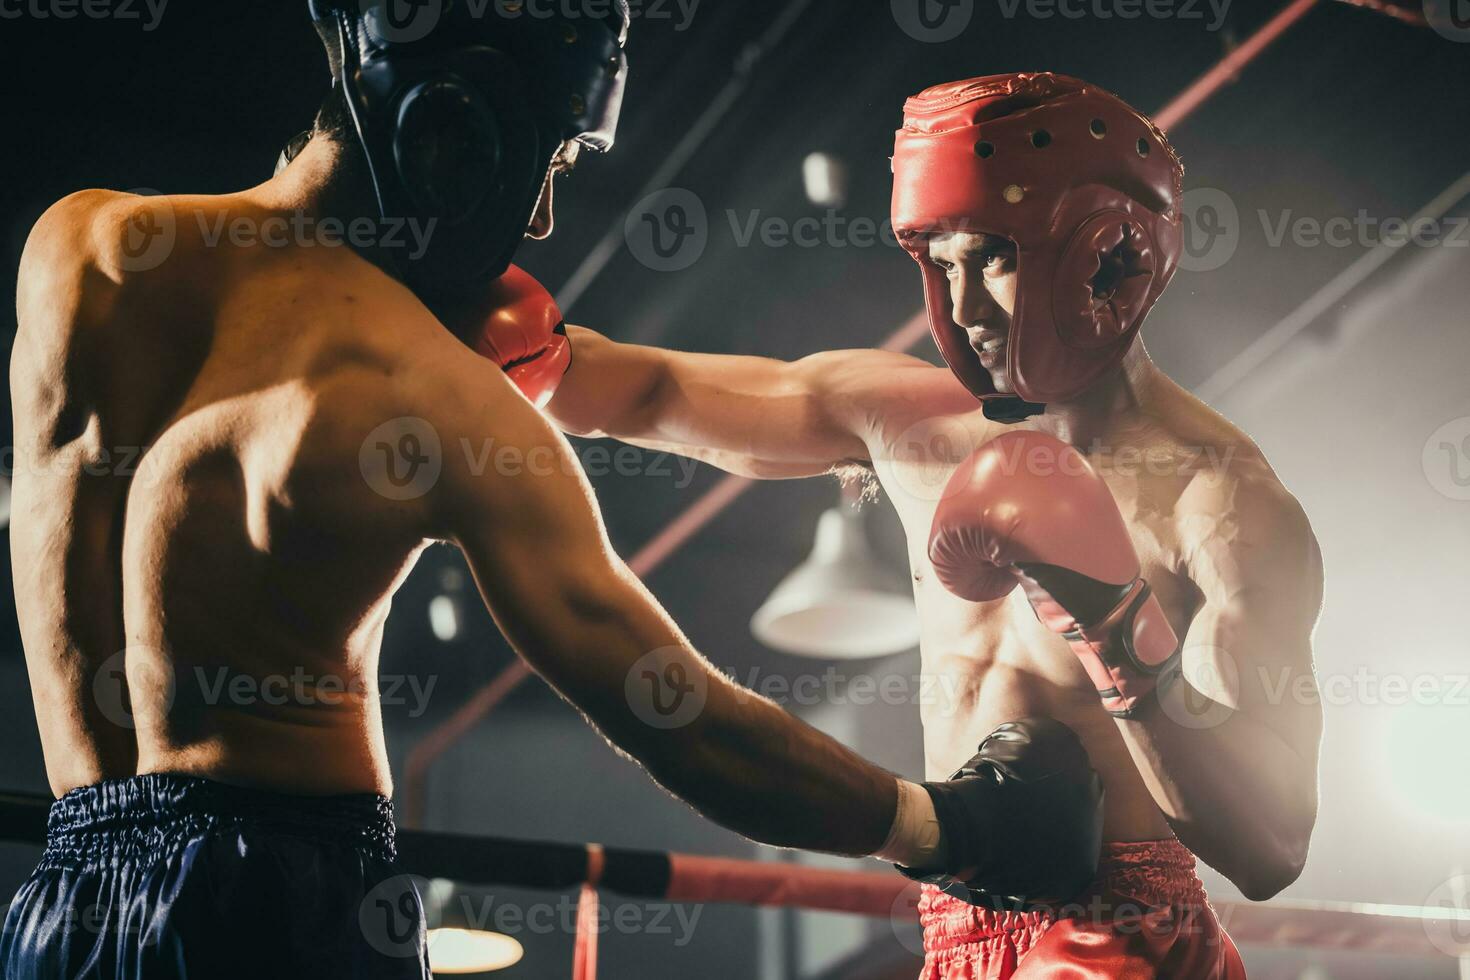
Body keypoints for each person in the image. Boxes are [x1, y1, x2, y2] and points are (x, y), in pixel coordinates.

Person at [0, 9, 1083, 979]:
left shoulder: (84, 249)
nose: (546, 214)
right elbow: (680, 719)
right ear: (457, 127)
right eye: (554, 155)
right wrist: (948, 825)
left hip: (62, 903)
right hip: (282, 901)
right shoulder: (433, 399)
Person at [546, 72, 1326, 977]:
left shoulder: (1218, 502)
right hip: (953, 919)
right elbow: (642, 390)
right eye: (941, 263)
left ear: (1110, 256)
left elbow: (1272, 846)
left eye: (993, 257)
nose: (962, 308)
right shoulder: (904, 418)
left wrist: (1118, 630)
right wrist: (486, 323)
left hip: (1122, 936)